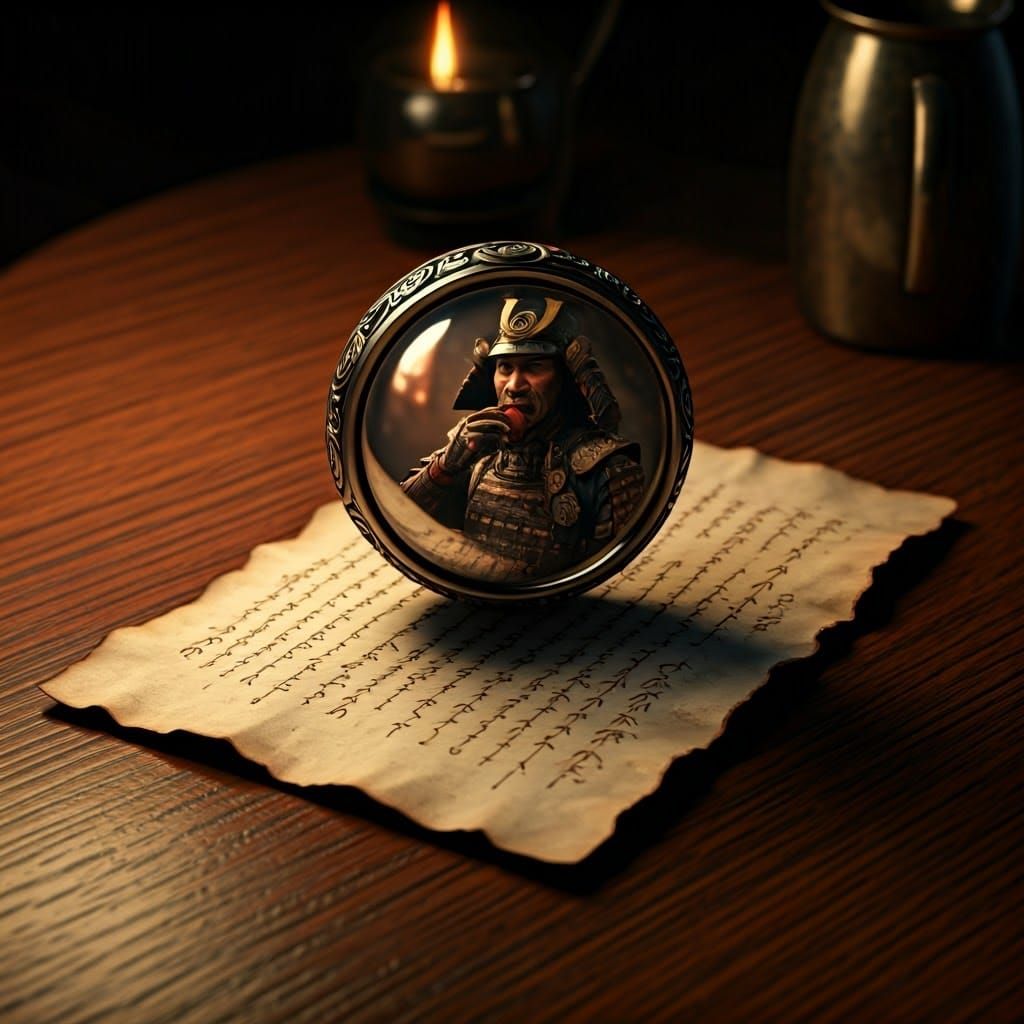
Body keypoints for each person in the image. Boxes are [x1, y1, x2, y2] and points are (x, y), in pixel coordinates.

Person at [400, 295, 645, 579]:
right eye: (505, 367)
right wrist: (446, 464)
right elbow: (400, 523)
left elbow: (613, 574)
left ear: (564, 380)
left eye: (534, 366)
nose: (515, 386)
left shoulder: (606, 470)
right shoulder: (471, 450)